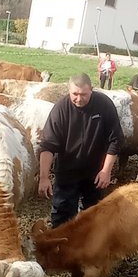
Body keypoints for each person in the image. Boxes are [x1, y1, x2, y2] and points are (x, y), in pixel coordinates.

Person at [38, 73, 124, 227]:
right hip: (67, 172)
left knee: (94, 216)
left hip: (95, 173)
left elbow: (115, 139)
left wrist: (106, 171)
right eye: (74, 94)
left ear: (92, 89)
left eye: (83, 94)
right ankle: (61, 248)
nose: (78, 98)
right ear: (68, 90)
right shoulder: (61, 109)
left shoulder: (104, 105)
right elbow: (48, 145)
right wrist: (44, 177)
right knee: (62, 216)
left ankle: (89, 249)